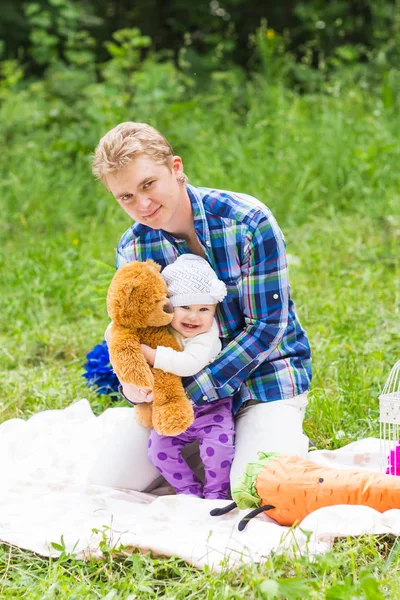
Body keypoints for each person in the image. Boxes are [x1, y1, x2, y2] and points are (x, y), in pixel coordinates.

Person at [87, 121, 312, 493]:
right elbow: (134, 332)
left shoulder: (249, 221)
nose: (142, 204)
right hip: (178, 384)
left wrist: (188, 394)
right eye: (126, 197)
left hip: (264, 377)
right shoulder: (134, 249)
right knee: (109, 485)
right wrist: (134, 386)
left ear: (175, 168)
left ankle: (270, 436)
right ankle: (207, 447)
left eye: (148, 184)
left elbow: (266, 329)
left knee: (253, 490)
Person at [141, 253, 234, 499]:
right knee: (158, 450)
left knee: (219, 452)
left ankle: (217, 492)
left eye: (204, 309)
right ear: (171, 307)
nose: (194, 317)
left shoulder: (207, 336)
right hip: (173, 408)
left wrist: (150, 355)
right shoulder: (164, 330)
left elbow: (188, 364)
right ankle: (187, 490)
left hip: (211, 410)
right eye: (186, 307)